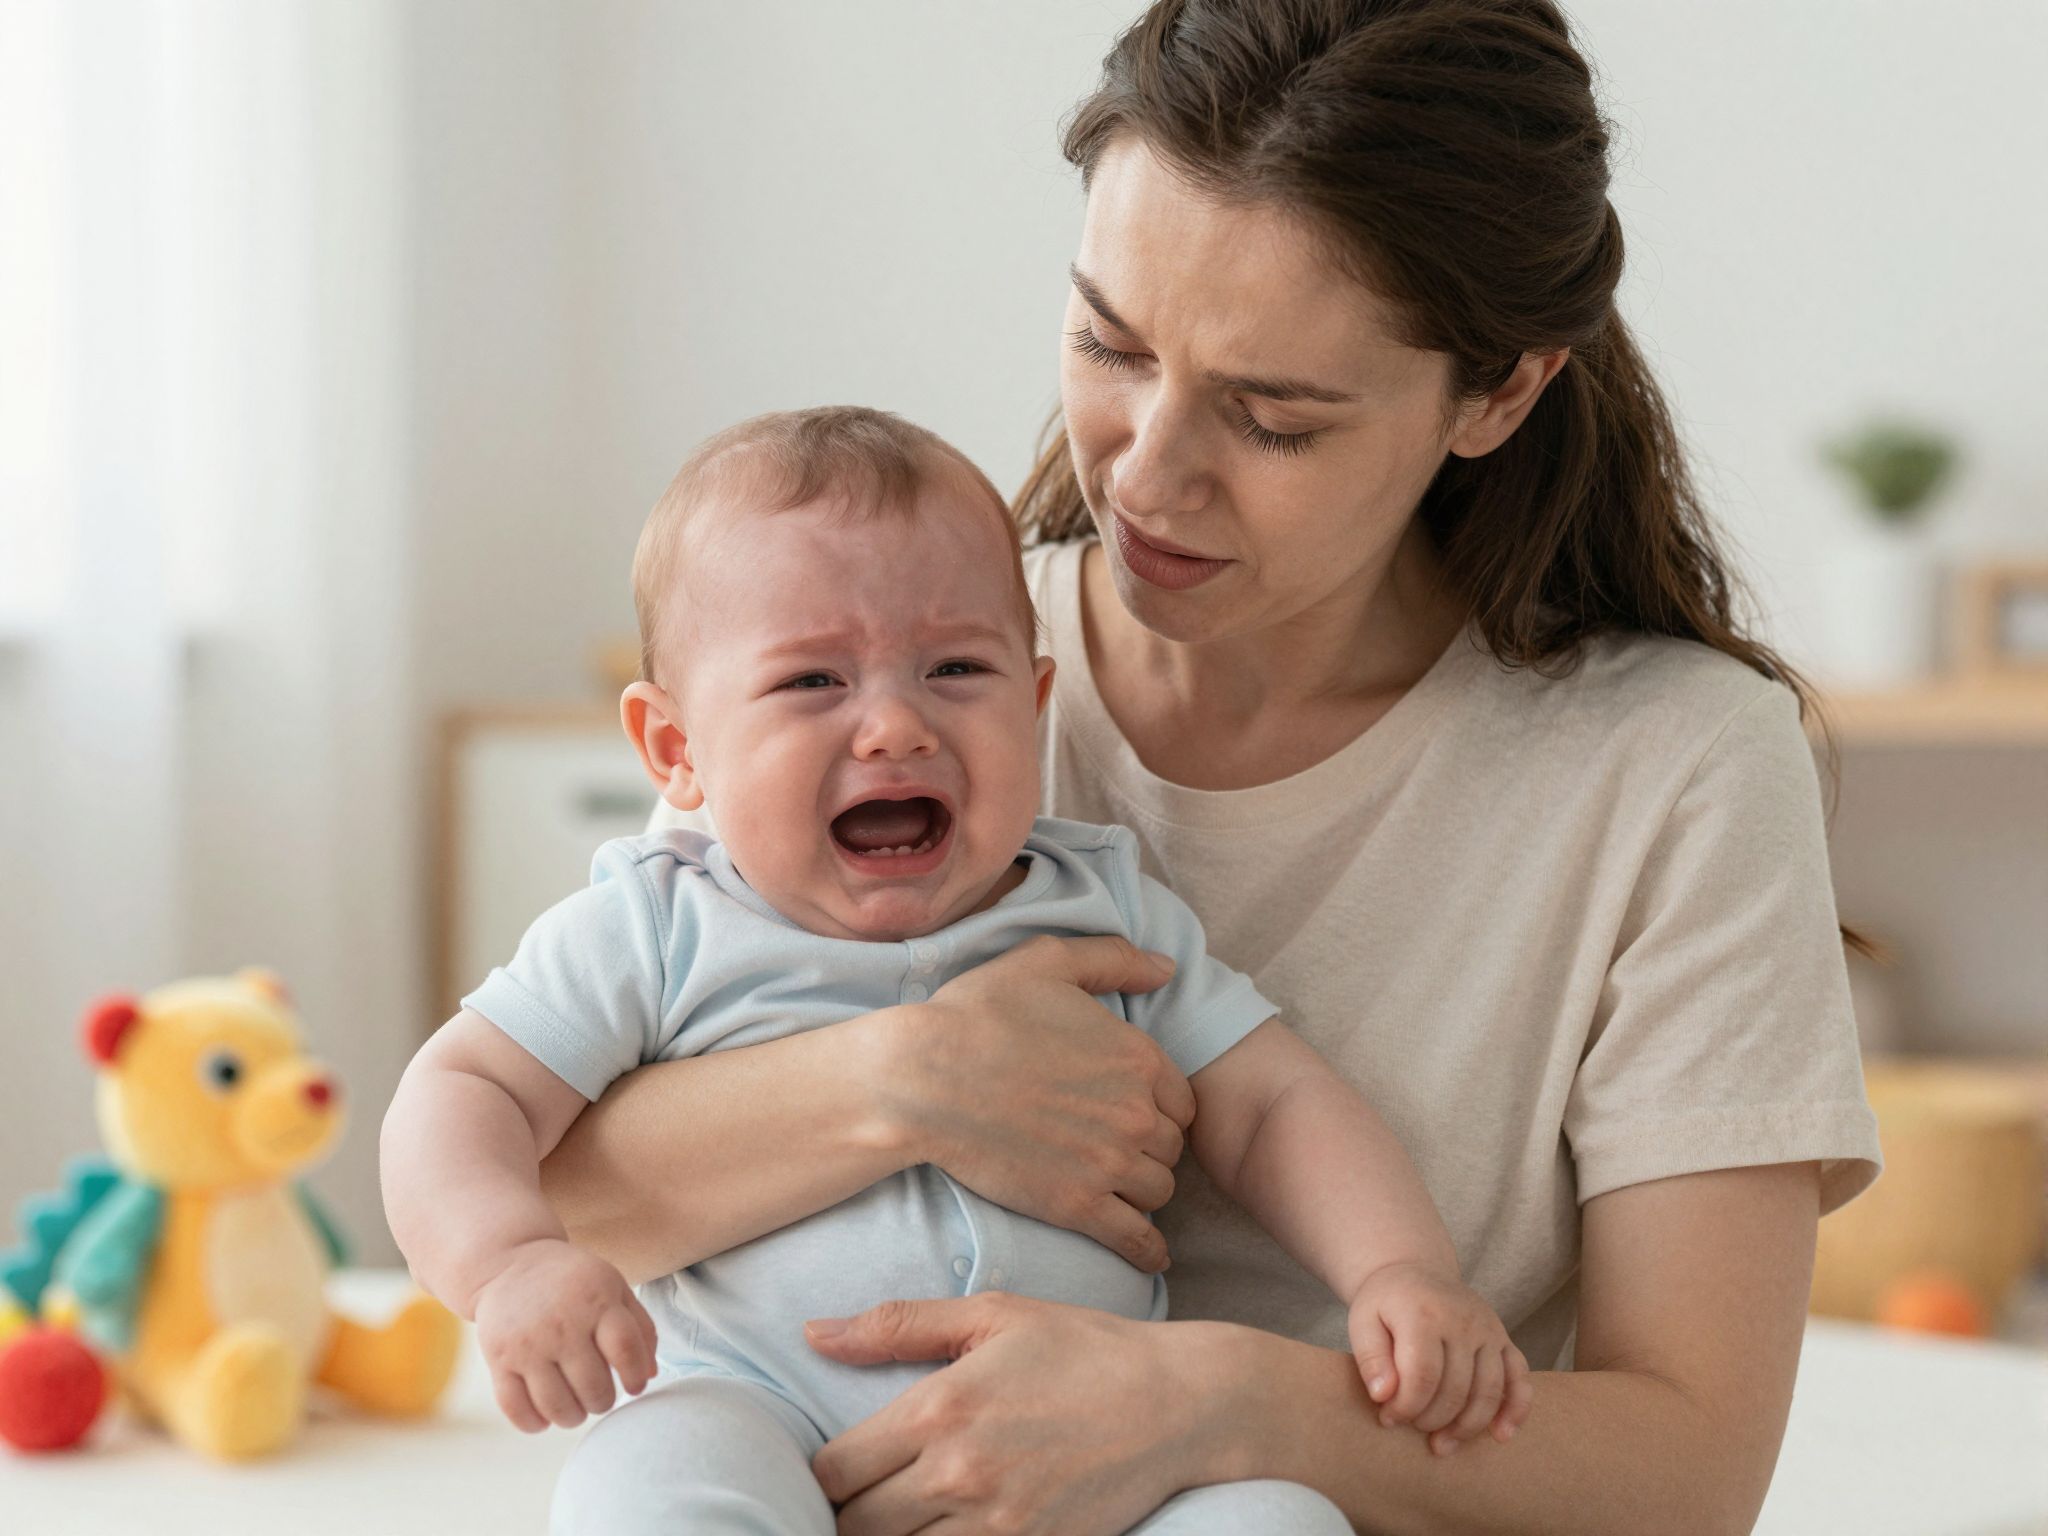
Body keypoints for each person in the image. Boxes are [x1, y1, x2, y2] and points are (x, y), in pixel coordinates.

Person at [538, 3, 1882, 1532]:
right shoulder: (895, 667)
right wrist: (910, 1079)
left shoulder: (1676, 768)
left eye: (1272, 417)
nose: (1147, 472)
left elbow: (1691, 1472)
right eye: (1109, 344)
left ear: (1499, 391)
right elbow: (561, 1186)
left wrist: (1216, 1408)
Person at [382, 406, 1532, 1536]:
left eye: (954, 668)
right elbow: (460, 1092)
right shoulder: (654, 922)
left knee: (1278, 1519)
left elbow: (1272, 1103)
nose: (895, 726)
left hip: (1091, 1452)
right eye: (812, 682)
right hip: (759, 1414)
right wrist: (508, 1263)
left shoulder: (1103, 907)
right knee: (647, 1478)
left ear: (1033, 707)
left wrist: (1400, 1270)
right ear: (675, 751)